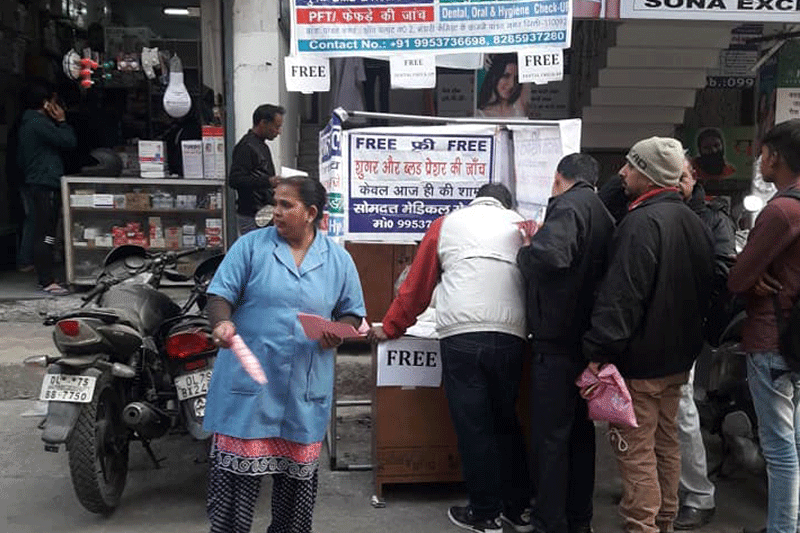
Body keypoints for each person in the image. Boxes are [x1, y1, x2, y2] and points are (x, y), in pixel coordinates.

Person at [203, 176, 366, 533]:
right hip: (250, 386)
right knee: (234, 495)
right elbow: (219, 295)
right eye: (274, 203)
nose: (275, 212)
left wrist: (336, 333)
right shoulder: (250, 247)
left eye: (285, 205)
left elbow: (353, 313)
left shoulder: (338, 260)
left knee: (295, 498)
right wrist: (222, 324)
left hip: (303, 388)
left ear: (310, 213)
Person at [368, 183, 531, 533]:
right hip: (512, 334)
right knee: (507, 420)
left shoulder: (449, 223)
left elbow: (417, 284)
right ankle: (518, 509)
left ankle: (484, 514)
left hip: (462, 334)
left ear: (475, 201)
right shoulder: (520, 224)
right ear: (506, 204)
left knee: (475, 424)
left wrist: (393, 326)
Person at [582, 137, 714, 533]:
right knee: (665, 446)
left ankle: (642, 526)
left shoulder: (641, 224)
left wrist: (598, 350)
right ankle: (665, 521)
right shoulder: (695, 221)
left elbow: (622, 297)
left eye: (631, 166)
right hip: (677, 362)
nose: (622, 173)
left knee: (635, 452)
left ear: (651, 175)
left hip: (638, 364)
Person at [517, 154, 615, 533]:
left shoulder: (568, 207)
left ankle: (548, 522)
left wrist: (528, 249)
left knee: (551, 439)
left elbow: (553, 257)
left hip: (556, 343)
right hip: (587, 343)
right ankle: (579, 520)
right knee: (580, 437)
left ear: (559, 178)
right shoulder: (603, 213)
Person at [727, 119, 800, 533]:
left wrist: (752, 278)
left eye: (764, 153)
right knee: (797, 442)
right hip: (797, 339)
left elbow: (738, 279)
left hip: (774, 335)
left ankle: (781, 529)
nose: (760, 160)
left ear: (776, 157)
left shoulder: (781, 210)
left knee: (779, 448)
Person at [671, 157, 736, 530]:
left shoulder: (712, 217)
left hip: (686, 326)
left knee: (682, 410)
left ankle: (699, 494)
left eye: (681, 176)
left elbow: (723, 270)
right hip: (652, 330)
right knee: (650, 414)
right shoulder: (651, 209)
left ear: (693, 176)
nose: (676, 183)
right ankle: (661, 484)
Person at [17, 80, 76, 295]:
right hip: (45, 183)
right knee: (46, 234)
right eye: (53, 102)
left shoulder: (27, 124)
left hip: (37, 181)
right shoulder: (39, 124)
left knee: (43, 230)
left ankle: (45, 275)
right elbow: (68, 141)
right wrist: (62, 121)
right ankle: (47, 280)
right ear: (45, 104)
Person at [229, 104, 284, 236]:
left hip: (264, 212)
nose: (279, 131)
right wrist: (268, 181)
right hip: (252, 215)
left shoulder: (261, 145)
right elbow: (235, 180)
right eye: (276, 127)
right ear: (263, 123)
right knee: (256, 254)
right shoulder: (246, 146)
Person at [476, 54, 530, 119]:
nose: (512, 84)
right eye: (506, 76)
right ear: (494, 77)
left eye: (516, 79)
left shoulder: (520, 109)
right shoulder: (480, 114)